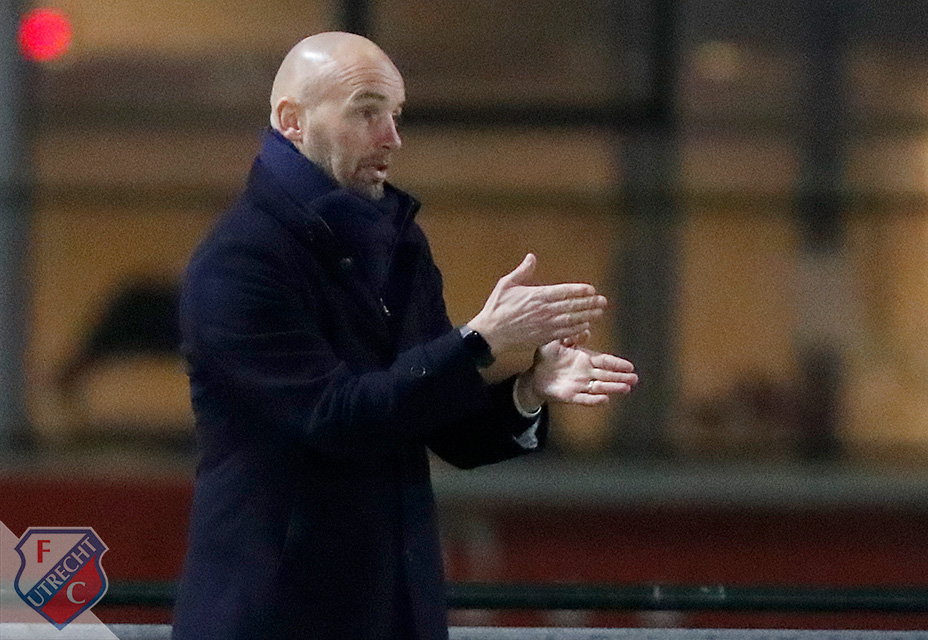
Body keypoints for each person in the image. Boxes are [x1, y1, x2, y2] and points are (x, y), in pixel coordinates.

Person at [171, 32, 638, 640]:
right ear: (292, 121)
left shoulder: (396, 242)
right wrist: (478, 341)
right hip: (274, 616)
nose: (392, 137)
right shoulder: (240, 261)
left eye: (396, 114)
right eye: (367, 112)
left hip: (390, 614)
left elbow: (443, 426)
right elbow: (335, 417)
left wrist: (529, 389)